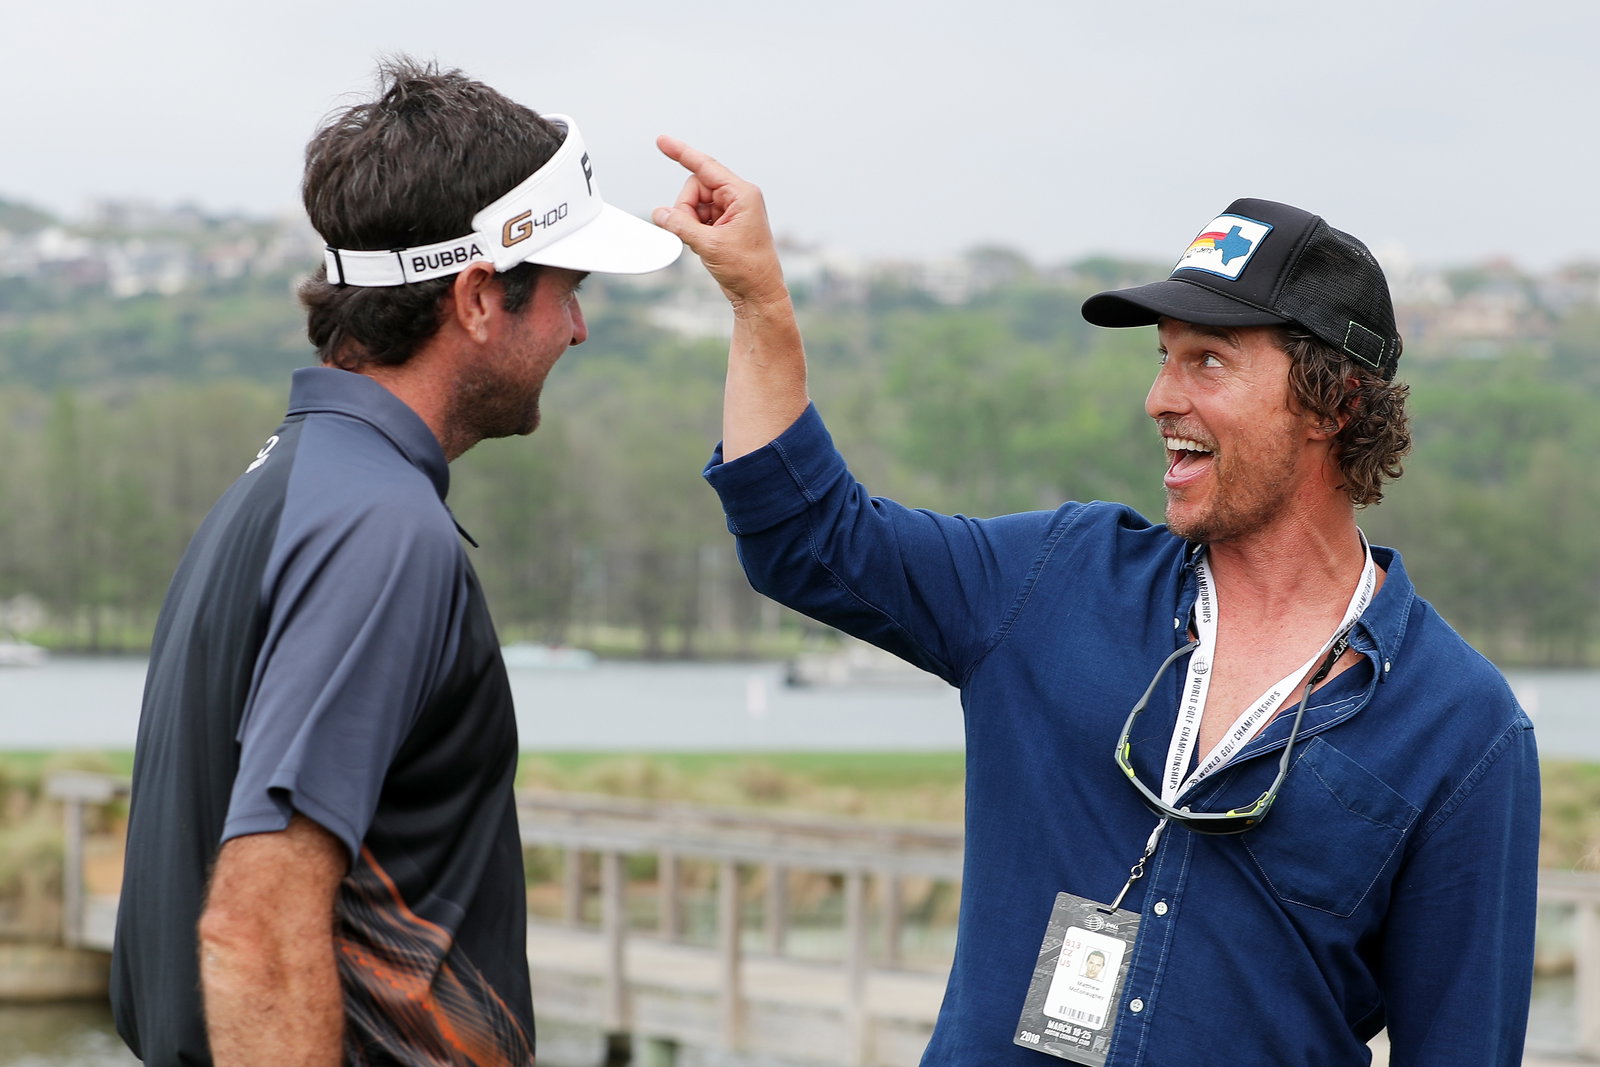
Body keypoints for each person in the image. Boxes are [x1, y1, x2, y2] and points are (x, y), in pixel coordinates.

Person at [652, 141, 1539, 1065]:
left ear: (1333, 405)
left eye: (1207, 361)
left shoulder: (1464, 730)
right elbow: (807, 538)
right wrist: (759, 303)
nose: (1159, 398)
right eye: (1163, 357)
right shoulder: (1052, 579)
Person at [110, 58, 681, 1065]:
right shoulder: (381, 528)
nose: (579, 328)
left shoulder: (285, 488)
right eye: (568, 290)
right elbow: (253, 931)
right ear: (478, 298)